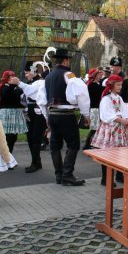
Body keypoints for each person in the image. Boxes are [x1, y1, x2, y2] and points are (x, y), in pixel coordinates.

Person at [37, 48, 90, 186]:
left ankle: (59, 175)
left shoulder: (47, 77)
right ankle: (67, 175)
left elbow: (41, 100)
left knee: (55, 146)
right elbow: (82, 93)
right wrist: (85, 114)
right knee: (73, 144)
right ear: (66, 60)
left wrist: (46, 116)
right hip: (66, 115)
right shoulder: (69, 75)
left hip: (52, 115)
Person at [91, 74, 128, 185]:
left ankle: (119, 175)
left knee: (121, 152)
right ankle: (106, 178)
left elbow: (125, 110)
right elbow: (106, 115)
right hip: (110, 130)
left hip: (120, 129)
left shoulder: (119, 98)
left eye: (121, 85)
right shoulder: (106, 99)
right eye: (118, 85)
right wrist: (120, 120)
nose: (120, 87)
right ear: (111, 86)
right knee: (108, 154)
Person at [10, 61, 49, 173]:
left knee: (35, 138)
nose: (26, 75)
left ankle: (35, 163)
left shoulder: (40, 82)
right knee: (30, 137)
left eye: (27, 72)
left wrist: (19, 83)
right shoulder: (31, 82)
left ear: (33, 71)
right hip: (30, 111)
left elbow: (30, 91)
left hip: (38, 111)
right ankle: (36, 161)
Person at [0, 70, 28, 154]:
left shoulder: (17, 88)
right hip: (6, 113)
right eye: (10, 77)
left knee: (13, 137)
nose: (13, 78)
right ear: (6, 78)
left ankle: (9, 156)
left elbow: (20, 96)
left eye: (14, 77)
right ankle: (5, 156)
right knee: (6, 136)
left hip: (16, 113)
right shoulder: (3, 87)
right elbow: (7, 95)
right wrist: (13, 85)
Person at [83, 67, 104, 150]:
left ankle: (90, 144)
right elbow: (101, 91)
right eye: (98, 74)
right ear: (94, 76)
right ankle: (88, 145)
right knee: (94, 128)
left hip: (96, 108)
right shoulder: (92, 85)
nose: (100, 76)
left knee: (95, 128)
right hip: (94, 109)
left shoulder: (95, 84)